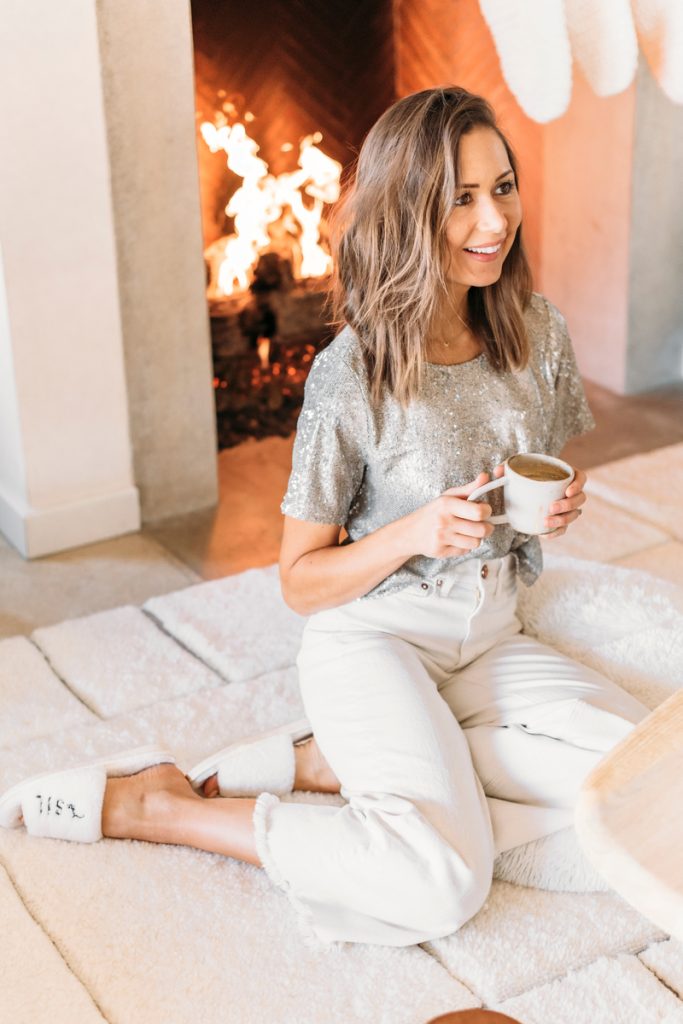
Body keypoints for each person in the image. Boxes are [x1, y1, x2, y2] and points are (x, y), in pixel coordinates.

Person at [0, 87, 649, 948]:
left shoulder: (537, 331)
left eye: (502, 187)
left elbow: (526, 494)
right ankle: (159, 806)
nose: (493, 219)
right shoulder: (355, 372)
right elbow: (300, 583)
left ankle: (335, 764)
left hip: (491, 630)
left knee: (645, 785)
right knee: (440, 886)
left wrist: (550, 512)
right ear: (407, 210)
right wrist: (413, 533)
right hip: (375, 636)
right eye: (459, 197)